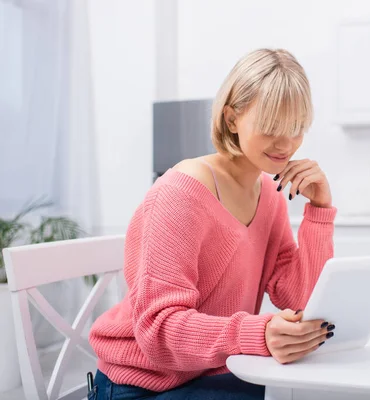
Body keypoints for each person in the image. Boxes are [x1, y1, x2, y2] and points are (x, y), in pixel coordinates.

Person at [88, 48, 337, 400]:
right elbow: (158, 329)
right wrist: (256, 334)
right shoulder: (181, 194)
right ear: (232, 119)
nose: (286, 144)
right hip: (142, 383)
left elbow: (299, 297)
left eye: (296, 128)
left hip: (217, 369)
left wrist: (320, 209)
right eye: (271, 127)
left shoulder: (268, 193)